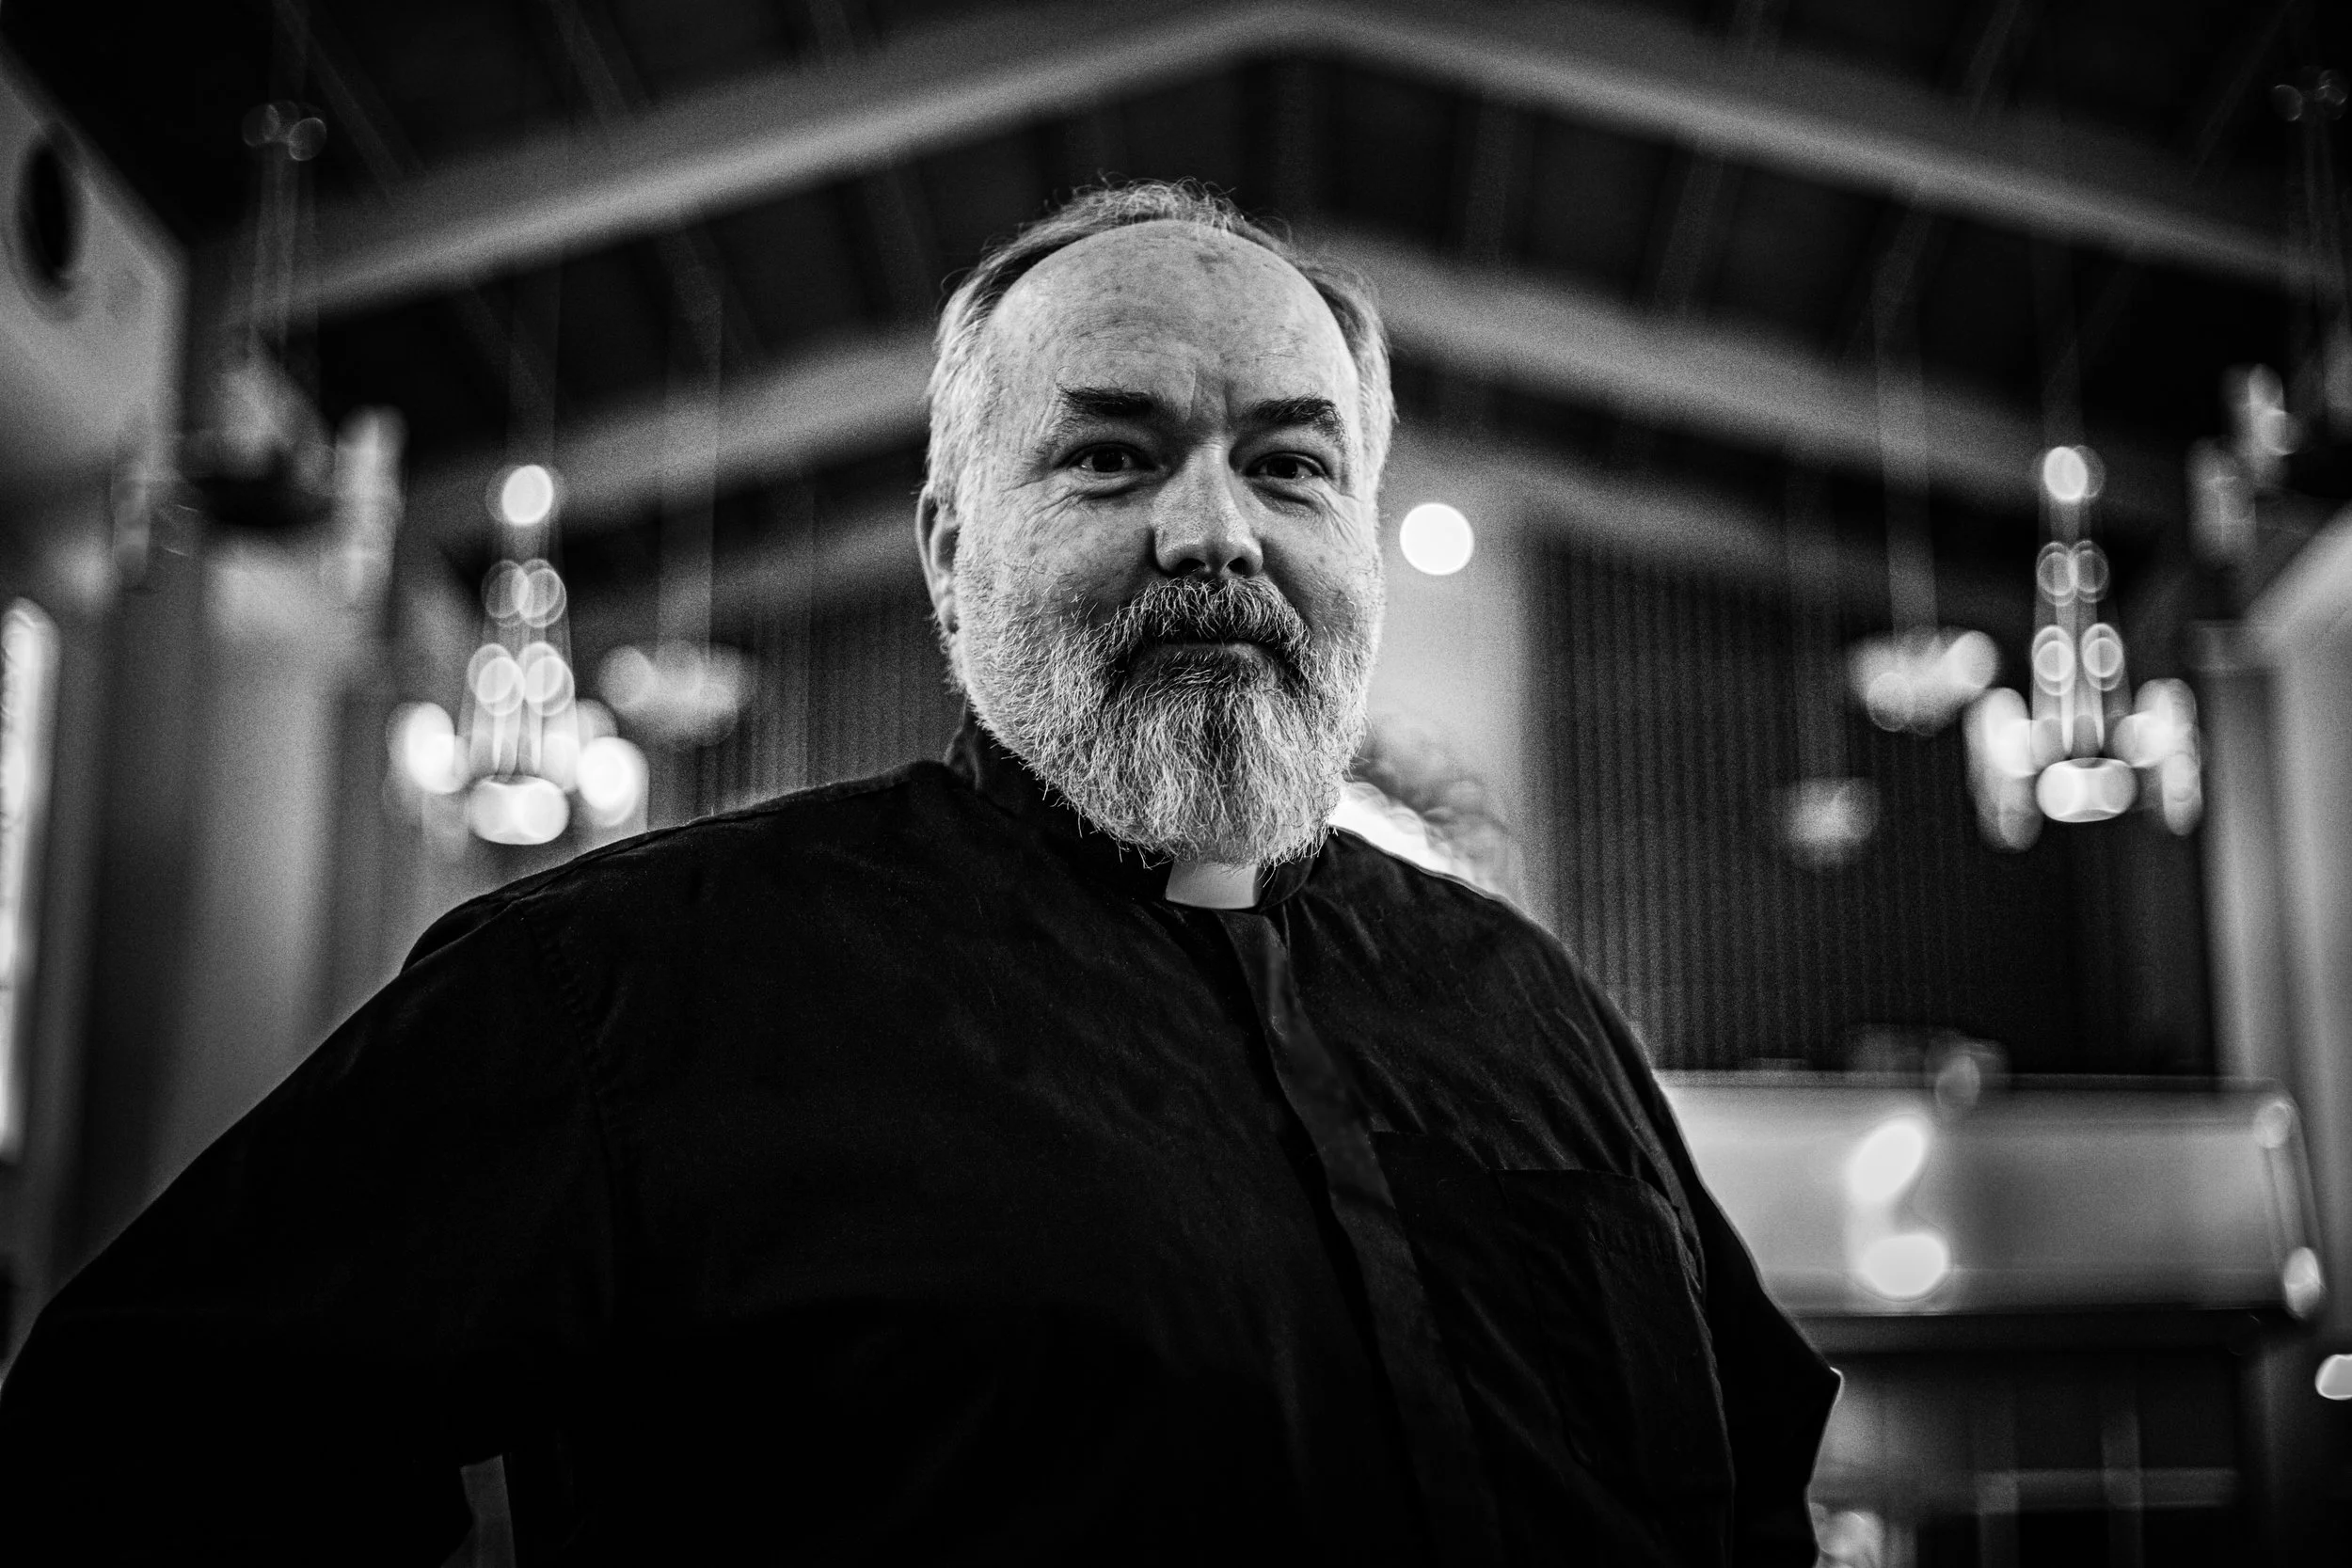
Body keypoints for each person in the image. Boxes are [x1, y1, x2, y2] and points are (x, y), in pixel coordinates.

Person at [0, 182, 1836, 1565]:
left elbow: (1753, 1493)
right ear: (952, 548)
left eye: (1289, 466)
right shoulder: (636, 988)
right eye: (1111, 453)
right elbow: (142, 1444)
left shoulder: (1526, 1005)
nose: (1214, 532)